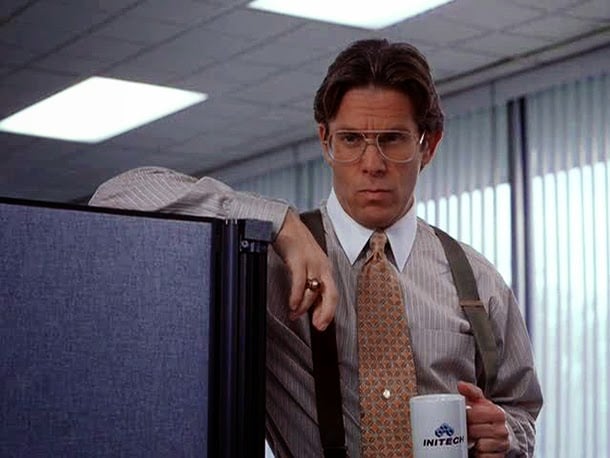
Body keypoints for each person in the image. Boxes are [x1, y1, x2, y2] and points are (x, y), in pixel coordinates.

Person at [90, 39, 542, 457]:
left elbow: (520, 410)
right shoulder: (269, 263)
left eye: (392, 139)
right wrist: (283, 225)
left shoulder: (478, 280)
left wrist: (505, 432)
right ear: (325, 142)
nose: (372, 164)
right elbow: (114, 197)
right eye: (351, 140)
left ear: (429, 145)